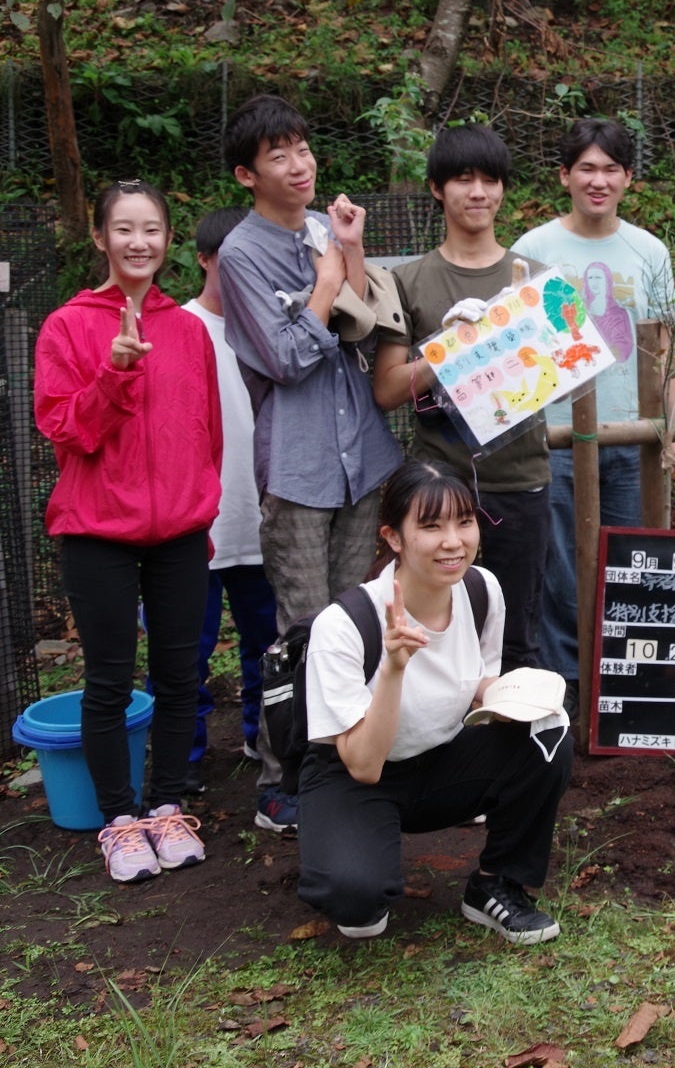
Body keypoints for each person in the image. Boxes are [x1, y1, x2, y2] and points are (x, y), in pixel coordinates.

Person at [218, 93, 403, 835]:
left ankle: (352, 764)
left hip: (361, 458)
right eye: (278, 155)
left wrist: (350, 252)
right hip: (297, 468)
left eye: (302, 149)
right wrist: (327, 280)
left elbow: (368, 329)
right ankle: (280, 781)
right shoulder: (240, 255)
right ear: (246, 175)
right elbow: (291, 358)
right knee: (303, 629)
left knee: (359, 622)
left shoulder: (328, 230)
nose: (298, 165)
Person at [297, 460, 573, 943]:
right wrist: (393, 668)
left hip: (439, 760)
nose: (453, 541)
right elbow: (362, 764)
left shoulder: (481, 589)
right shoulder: (344, 624)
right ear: (393, 537)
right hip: (358, 776)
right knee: (357, 905)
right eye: (430, 526)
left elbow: (474, 685)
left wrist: (521, 696)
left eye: (464, 522)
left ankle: (496, 885)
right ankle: (354, 862)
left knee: (547, 732)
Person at [34, 179, 221, 883]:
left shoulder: (189, 329)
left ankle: (167, 806)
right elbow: (62, 428)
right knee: (108, 679)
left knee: (180, 675)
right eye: (124, 230)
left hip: (179, 529)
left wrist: (200, 504)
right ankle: (119, 819)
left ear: (169, 240)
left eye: (152, 230)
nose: (139, 243)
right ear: (100, 237)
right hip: (96, 529)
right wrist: (113, 376)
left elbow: (209, 435)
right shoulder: (69, 325)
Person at [510, 117, 675, 705]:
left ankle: (626, 680)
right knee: (560, 565)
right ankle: (567, 684)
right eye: (586, 168)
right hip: (557, 434)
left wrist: (673, 425)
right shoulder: (533, 249)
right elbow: (515, 345)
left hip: (634, 432)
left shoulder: (649, 250)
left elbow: (664, 344)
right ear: (565, 176)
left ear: (628, 178)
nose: (598, 180)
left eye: (611, 169)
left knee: (632, 558)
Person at [374, 124, 551, 680]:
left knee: (518, 634)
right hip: (440, 488)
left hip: (522, 478)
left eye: (490, 180)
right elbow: (385, 389)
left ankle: (519, 754)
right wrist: (449, 351)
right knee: (435, 634)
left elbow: (559, 375)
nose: (478, 192)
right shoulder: (408, 281)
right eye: (463, 179)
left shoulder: (534, 279)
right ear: (436, 189)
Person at [180, 206, 281, 795]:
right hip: (197, 522)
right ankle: (186, 754)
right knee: (185, 647)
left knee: (266, 643)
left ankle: (257, 732)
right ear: (204, 259)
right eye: (228, 261)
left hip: (264, 513)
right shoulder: (182, 327)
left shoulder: (270, 328)